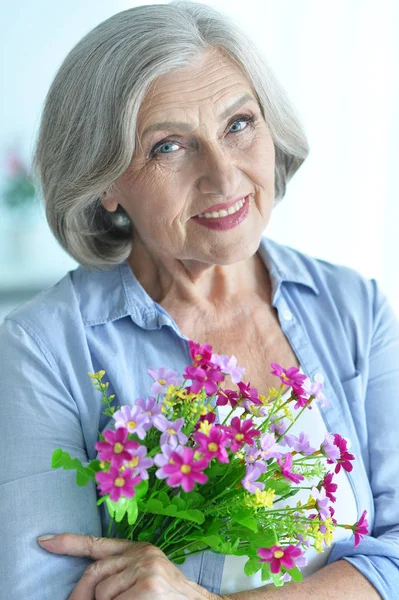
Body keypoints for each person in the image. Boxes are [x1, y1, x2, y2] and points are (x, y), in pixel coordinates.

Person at [0, 1, 398, 599]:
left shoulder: (352, 306)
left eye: (238, 124)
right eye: (168, 147)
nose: (224, 177)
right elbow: (46, 591)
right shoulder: (44, 347)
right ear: (103, 180)